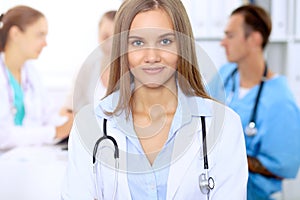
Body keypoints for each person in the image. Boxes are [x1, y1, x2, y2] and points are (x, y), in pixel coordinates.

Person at [61, 0, 248, 199]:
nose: (152, 56)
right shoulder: (90, 126)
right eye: (138, 43)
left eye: (165, 41)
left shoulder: (225, 125)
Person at [211, 4, 300, 200]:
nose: (223, 43)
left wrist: (232, 154)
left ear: (254, 39)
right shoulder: (225, 76)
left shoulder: (280, 100)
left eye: (230, 35)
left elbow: (284, 166)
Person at [0, 5, 73, 150]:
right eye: (40, 35)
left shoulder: (32, 73)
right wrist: (55, 131)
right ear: (15, 34)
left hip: (25, 156)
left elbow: (47, 116)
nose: (45, 43)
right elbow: (3, 135)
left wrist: (71, 120)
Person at [61, 10, 117, 114]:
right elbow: (67, 109)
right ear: (98, 35)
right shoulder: (86, 68)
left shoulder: (133, 72)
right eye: (105, 37)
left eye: (115, 37)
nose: (110, 43)